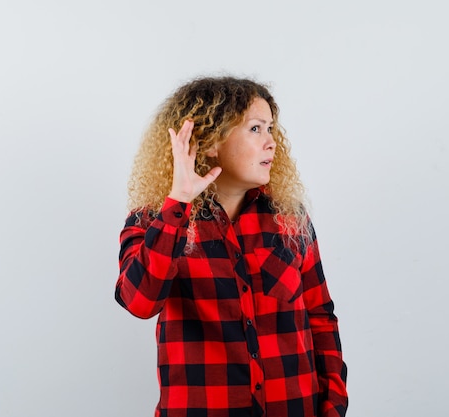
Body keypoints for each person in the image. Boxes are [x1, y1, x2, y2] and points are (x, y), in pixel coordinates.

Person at [115, 76, 348, 417]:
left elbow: (320, 317)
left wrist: (333, 407)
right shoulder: (155, 221)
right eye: (256, 129)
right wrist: (179, 201)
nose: (271, 143)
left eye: (271, 129)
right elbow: (139, 301)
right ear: (209, 141)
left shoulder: (289, 220)